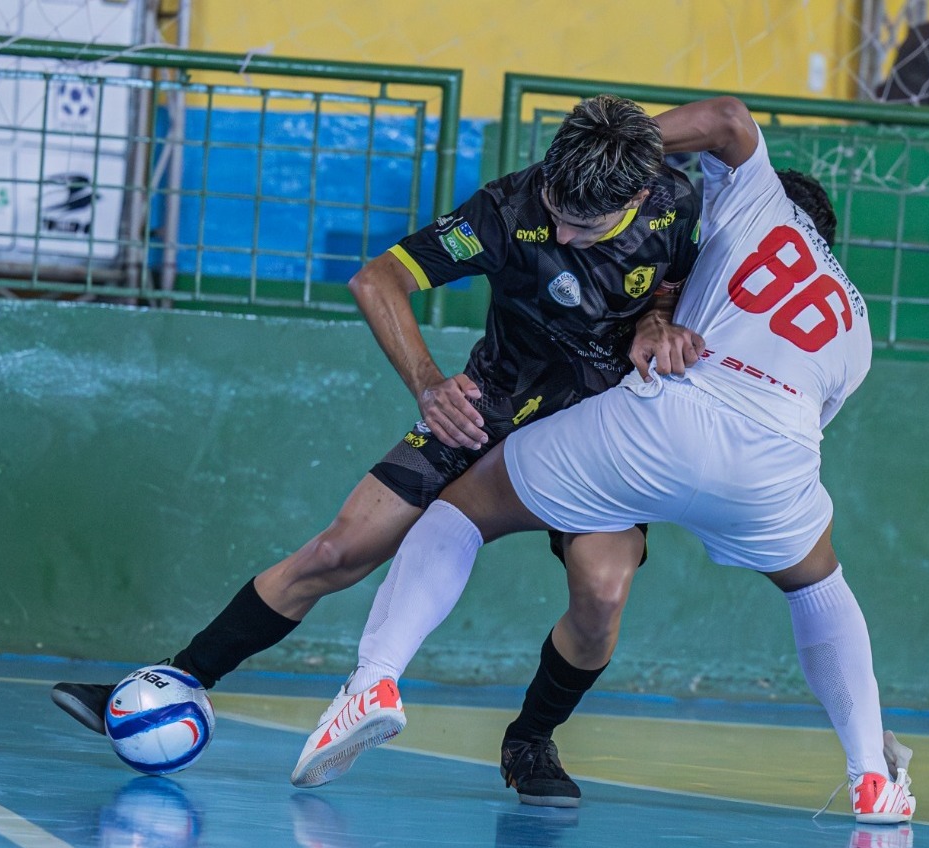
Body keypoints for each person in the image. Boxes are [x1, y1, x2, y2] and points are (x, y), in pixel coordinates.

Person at [51, 95, 704, 808]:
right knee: (337, 550)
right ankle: (177, 680)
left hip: (602, 431)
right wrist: (428, 384)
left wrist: (658, 318)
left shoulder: (676, 202)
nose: (564, 233)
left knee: (602, 594)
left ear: (636, 197)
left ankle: (530, 738)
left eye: (585, 226)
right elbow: (378, 279)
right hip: (486, 408)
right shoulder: (506, 210)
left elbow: (677, 284)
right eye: (557, 210)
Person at [291, 95, 917, 825]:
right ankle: (872, 776)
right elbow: (811, 418)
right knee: (818, 587)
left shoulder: (754, 198)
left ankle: (374, 680)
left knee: (463, 508)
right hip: (776, 460)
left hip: (668, 416)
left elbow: (726, 117)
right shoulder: (856, 322)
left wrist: (620, 145)